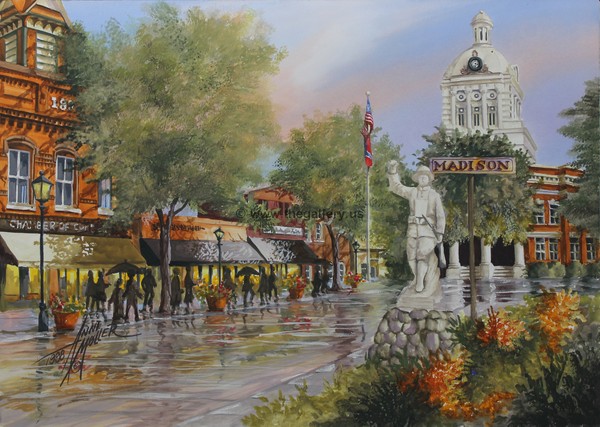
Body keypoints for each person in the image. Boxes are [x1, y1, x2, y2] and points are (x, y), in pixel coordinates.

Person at [387, 161, 446, 294]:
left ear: (429, 179)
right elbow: (397, 187)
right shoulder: (412, 192)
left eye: (425, 176)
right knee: (411, 257)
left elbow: (440, 216)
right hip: (413, 230)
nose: (422, 178)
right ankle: (418, 277)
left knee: (422, 255)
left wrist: (440, 233)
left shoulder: (434, 195)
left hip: (428, 231)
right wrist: (392, 171)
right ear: (417, 178)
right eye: (420, 176)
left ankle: (420, 282)